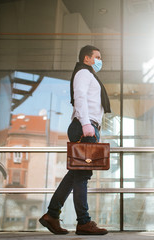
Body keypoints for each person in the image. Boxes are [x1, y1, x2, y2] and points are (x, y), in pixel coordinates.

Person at [39, 45, 111, 235]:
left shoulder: (88, 74)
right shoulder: (83, 73)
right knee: (82, 175)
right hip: (83, 127)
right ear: (87, 58)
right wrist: (87, 124)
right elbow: (80, 97)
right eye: (97, 56)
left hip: (87, 126)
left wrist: (93, 128)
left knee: (75, 174)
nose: (99, 60)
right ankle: (84, 222)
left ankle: (52, 214)